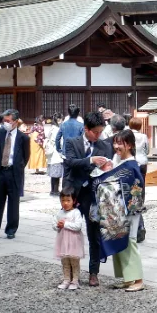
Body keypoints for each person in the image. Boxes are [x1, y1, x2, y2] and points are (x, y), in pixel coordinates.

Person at [91, 128, 145, 292]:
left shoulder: (131, 165)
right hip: (119, 209)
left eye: (120, 143)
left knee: (130, 241)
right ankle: (127, 278)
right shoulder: (122, 163)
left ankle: (138, 279)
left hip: (129, 210)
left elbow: (114, 181)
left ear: (129, 145)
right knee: (119, 239)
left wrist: (99, 179)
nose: (116, 146)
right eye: (115, 143)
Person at [63, 111, 113, 287]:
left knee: (94, 235)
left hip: (94, 195)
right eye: (96, 132)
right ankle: (70, 274)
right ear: (86, 129)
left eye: (101, 132)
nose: (98, 135)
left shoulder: (105, 146)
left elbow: (108, 170)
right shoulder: (72, 142)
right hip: (74, 194)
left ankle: (94, 272)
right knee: (70, 234)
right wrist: (90, 159)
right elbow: (70, 162)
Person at [0, 109, 30, 240]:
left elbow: (26, 156)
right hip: (0, 171)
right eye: (4, 121)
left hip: (14, 172)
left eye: (8, 121)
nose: (5, 123)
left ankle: (11, 229)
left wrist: (18, 167)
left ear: (15, 122)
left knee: (13, 203)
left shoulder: (23, 137)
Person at [53, 186, 85, 290]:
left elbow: (78, 226)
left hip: (74, 241)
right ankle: (66, 279)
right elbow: (54, 224)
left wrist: (65, 224)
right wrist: (57, 225)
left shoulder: (76, 212)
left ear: (74, 201)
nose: (65, 203)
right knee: (65, 261)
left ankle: (75, 280)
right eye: (63, 201)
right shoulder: (60, 213)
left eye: (68, 200)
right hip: (63, 241)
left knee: (74, 261)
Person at [128, 117, 150, 204]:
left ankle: (132, 203)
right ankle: (141, 203)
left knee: (131, 183)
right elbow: (147, 150)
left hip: (131, 161)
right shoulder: (144, 136)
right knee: (142, 183)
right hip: (142, 161)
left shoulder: (128, 136)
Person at [44, 115, 64, 196]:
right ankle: (55, 190)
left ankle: (53, 190)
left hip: (51, 153)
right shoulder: (56, 129)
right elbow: (59, 141)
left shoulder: (51, 128)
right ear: (59, 120)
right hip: (56, 153)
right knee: (56, 174)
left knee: (53, 174)